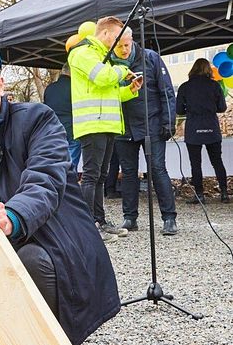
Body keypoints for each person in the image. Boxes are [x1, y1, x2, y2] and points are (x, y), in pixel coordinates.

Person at [0, 36, 120, 345]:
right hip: (0, 240)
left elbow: (45, 181)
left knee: (31, 260)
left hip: (57, 238)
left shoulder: (39, 119)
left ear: (0, 83)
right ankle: (14, 337)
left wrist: (11, 215)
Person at [68, 16, 143, 241]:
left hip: (106, 123)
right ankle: (88, 225)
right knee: (92, 176)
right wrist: (122, 71)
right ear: (106, 34)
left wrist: (130, 89)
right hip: (92, 123)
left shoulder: (103, 57)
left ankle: (99, 220)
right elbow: (102, 78)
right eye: (118, 37)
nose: (120, 44)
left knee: (101, 176)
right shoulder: (82, 53)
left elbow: (110, 93)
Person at [110, 29, 178, 234]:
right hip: (124, 127)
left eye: (126, 45)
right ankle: (130, 218)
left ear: (132, 41)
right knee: (128, 173)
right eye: (118, 45)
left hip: (152, 124)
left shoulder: (151, 58)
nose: (123, 49)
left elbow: (166, 91)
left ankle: (169, 218)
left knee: (157, 169)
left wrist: (169, 122)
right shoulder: (109, 64)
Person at [176, 58, 229, 204]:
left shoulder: (185, 87)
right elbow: (222, 108)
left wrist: (191, 108)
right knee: (217, 161)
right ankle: (224, 193)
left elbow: (179, 110)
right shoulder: (215, 85)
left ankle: (199, 195)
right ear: (208, 70)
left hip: (194, 128)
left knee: (196, 163)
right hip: (211, 127)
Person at [43, 62, 81, 172]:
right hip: (72, 129)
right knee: (70, 164)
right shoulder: (75, 88)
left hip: (53, 129)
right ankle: (68, 184)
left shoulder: (49, 88)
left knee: (55, 161)